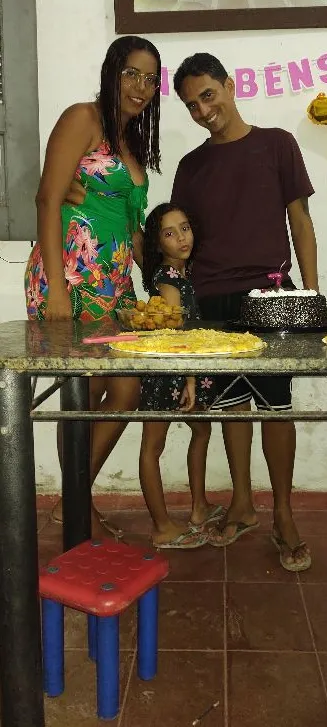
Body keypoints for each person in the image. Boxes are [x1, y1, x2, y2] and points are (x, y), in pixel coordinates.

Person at [171, 53, 317, 571]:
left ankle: (283, 513)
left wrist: (311, 300)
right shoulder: (191, 167)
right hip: (211, 301)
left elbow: (300, 222)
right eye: (191, 104)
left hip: (273, 296)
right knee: (232, 406)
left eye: (208, 95)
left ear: (229, 86)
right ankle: (242, 503)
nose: (203, 110)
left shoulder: (277, 143)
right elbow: (179, 245)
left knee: (278, 409)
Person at [25, 35, 162, 538]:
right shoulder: (82, 118)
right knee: (86, 391)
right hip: (72, 276)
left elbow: (131, 227)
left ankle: (72, 501)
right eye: (131, 73)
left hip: (115, 285)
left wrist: (167, 274)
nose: (141, 87)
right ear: (111, 72)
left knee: (126, 387)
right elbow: (46, 199)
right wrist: (57, 287)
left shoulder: (131, 141)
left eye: (150, 79)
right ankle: (74, 506)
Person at [139, 203, 223, 548]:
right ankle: (161, 526)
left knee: (202, 429)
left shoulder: (184, 274)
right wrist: (189, 378)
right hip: (168, 371)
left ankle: (199, 506)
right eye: (169, 233)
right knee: (152, 446)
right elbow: (174, 331)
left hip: (185, 369)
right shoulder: (169, 279)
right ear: (158, 244)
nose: (181, 237)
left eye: (185, 228)